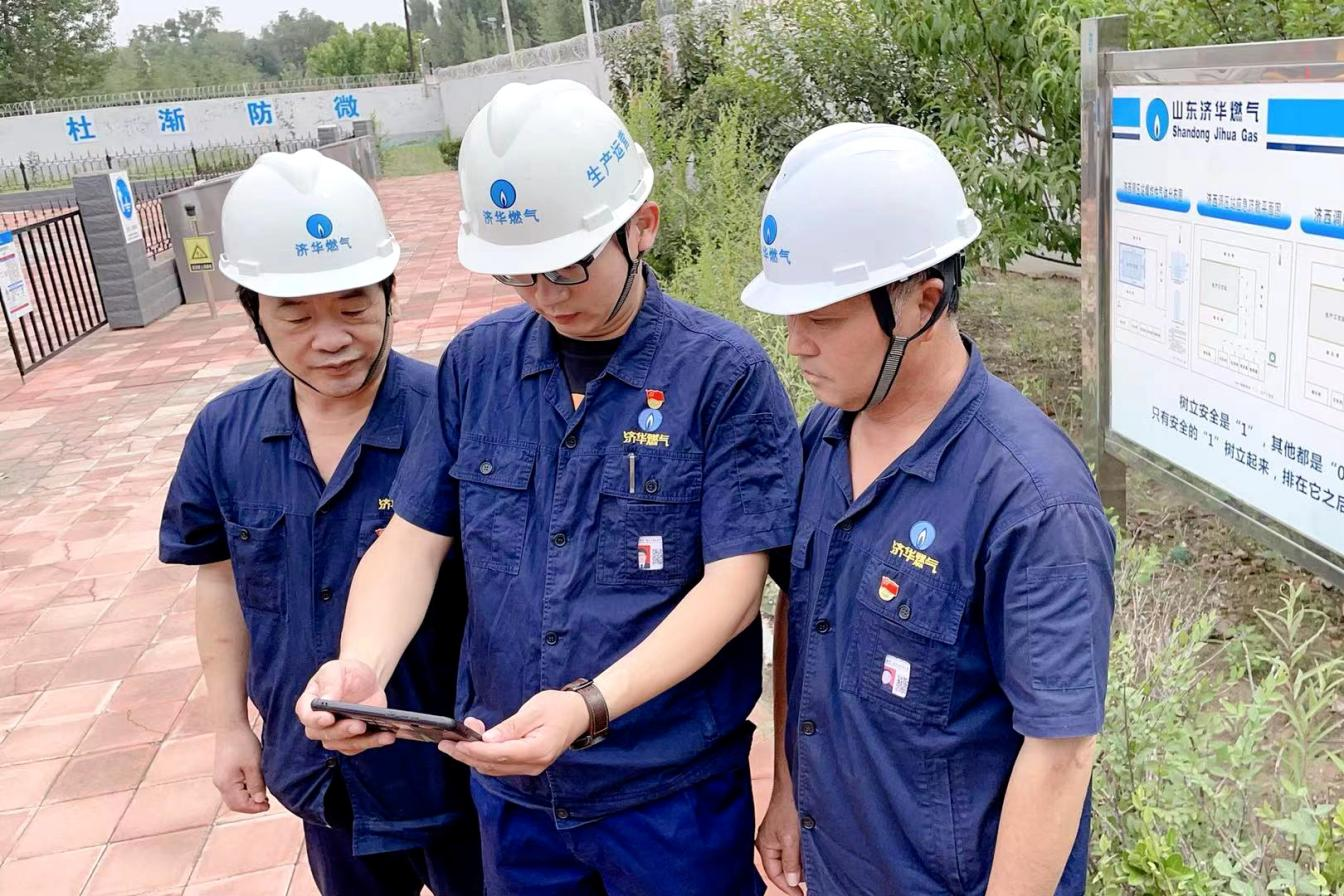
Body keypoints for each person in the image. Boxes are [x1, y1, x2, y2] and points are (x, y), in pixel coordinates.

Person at [296, 79, 800, 895]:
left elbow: (735, 589)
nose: (544, 297)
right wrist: (360, 664)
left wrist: (588, 705)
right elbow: (412, 542)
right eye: (519, 276)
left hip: (666, 795)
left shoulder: (722, 375)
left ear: (642, 226)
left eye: (566, 269)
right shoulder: (479, 365)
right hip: (514, 792)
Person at [745, 123, 1115, 895]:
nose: (797, 344)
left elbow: (1060, 753)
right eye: (791, 317)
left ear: (922, 301)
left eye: (824, 320)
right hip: (840, 866)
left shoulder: (1032, 501)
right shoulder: (824, 438)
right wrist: (785, 789)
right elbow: (801, 617)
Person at [160, 149, 482, 896]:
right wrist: (229, 727)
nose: (331, 339)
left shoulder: (453, 415)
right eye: (297, 317)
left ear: (389, 296)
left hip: (451, 772)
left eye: (354, 308)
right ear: (255, 316)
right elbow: (220, 583)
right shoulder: (225, 432)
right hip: (318, 773)